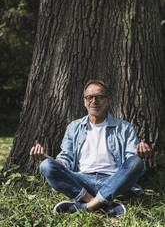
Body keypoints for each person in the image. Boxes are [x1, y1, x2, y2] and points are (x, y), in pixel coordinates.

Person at [30, 80, 151, 217]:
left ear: (107, 100)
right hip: (81, 181)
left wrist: (139, 155)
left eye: (99, 97)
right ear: (84, 101)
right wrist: (45, 158)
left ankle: (84, 207)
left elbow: (130, 162)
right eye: (90, 97)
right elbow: (65, 159)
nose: (94, 101)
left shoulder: (124, 127)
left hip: (113, 181)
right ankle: (101, 204)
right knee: (46, 165)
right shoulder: (73, 127)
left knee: (136, 162)